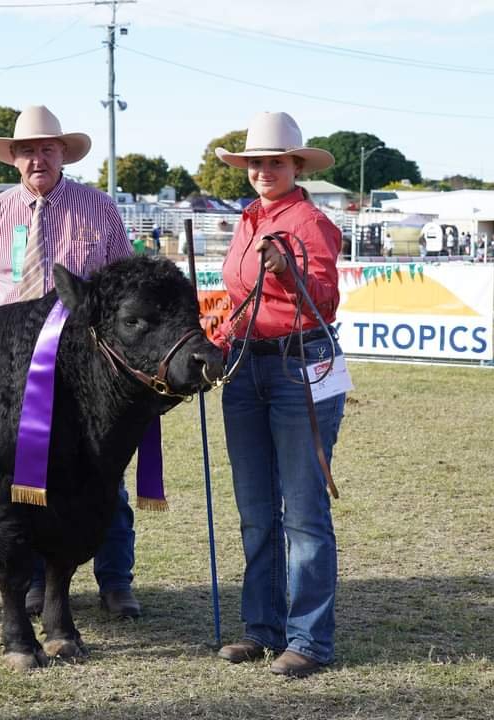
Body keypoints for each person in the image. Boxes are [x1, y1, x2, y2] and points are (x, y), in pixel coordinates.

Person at [0, 105, 141, 619]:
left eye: (46, 148)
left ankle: (116, 581)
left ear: (63, 153)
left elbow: (123, 287)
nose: (37, 158)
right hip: (10, 372)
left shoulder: (98, 209)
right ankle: (37, 581)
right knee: (23, 483)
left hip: (86, 370)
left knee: (106, 481)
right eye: (27, 150)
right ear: (13, 158)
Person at [211, 112, 347, 678]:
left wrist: (290, 272)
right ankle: (261, 629)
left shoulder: (310, 222)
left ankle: (309, 640)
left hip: (299, 365)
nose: (264, 170)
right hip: (245, 365)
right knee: (256, 511)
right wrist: (217, 336)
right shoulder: (248, 220)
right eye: (255, 162)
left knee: (304, 512)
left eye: (275, 161)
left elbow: (326, 299)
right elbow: (239, 293)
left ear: (296, 165)